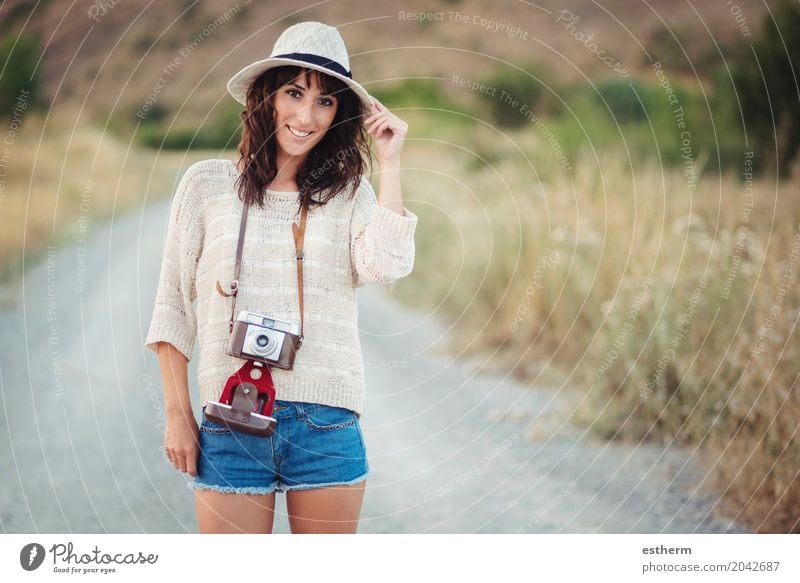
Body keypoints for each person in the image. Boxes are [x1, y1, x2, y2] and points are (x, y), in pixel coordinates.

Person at [144, 21, 417, 534]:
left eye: (325, 102)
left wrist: (390, 164)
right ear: (266, 97)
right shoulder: (206, 185)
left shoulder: (347, 193)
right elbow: (172, 307)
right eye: (294, 93)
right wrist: (178, 416)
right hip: (229, 418)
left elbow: (387, 265)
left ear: (340, 115)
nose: (306, 116)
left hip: (326, 423)